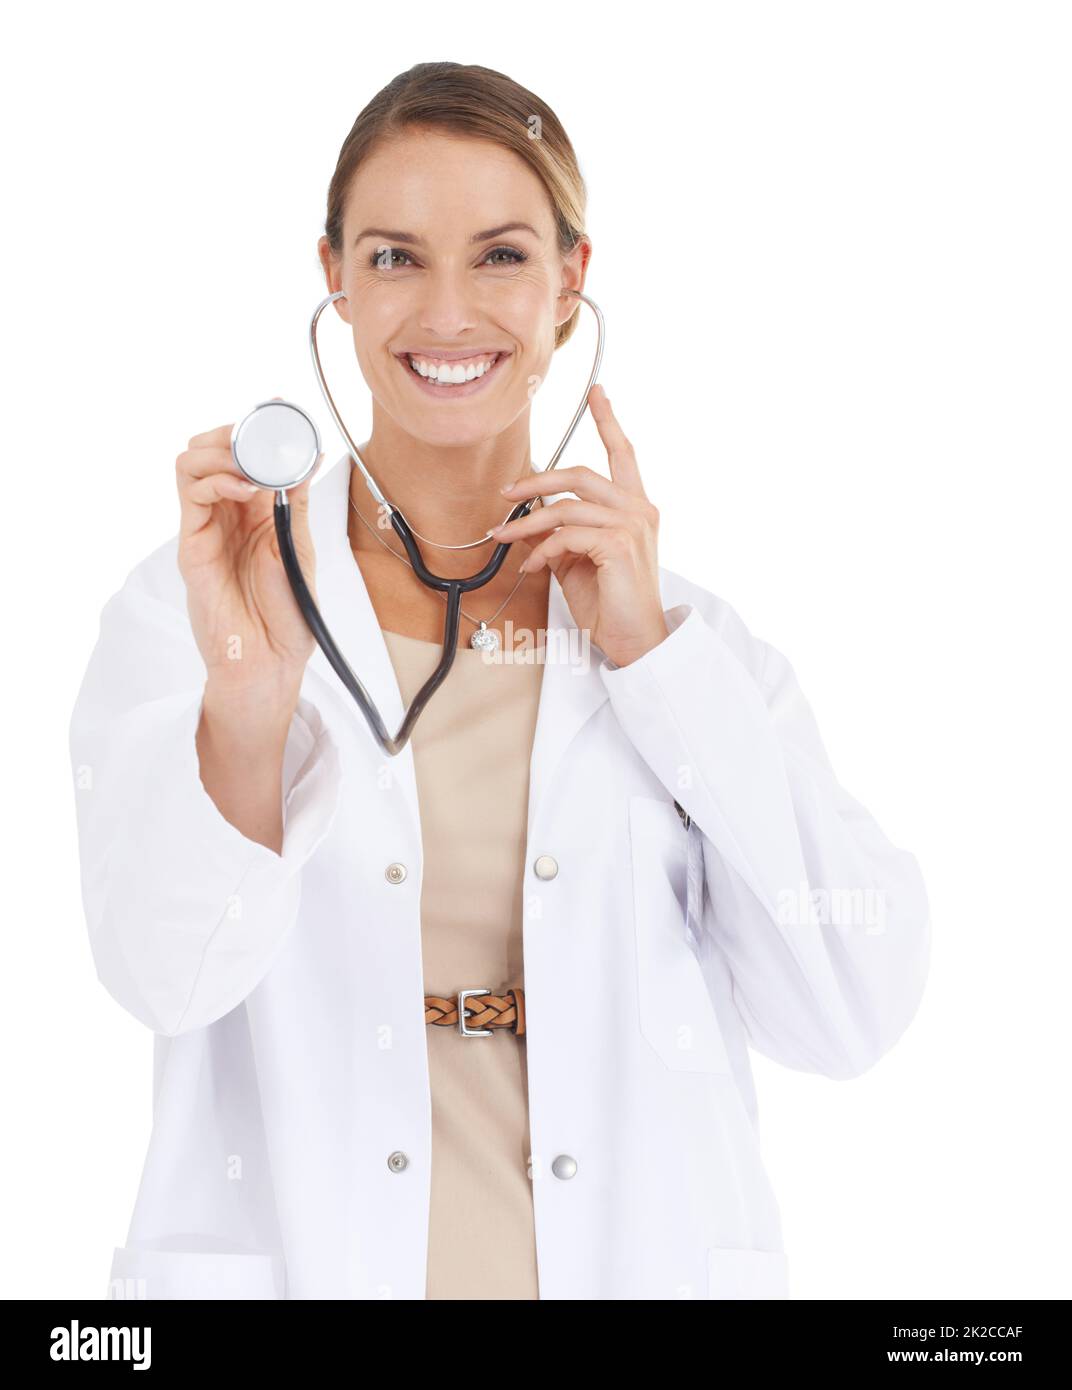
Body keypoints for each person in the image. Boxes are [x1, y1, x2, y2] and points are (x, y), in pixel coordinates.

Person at [69, 61, 931, 1301]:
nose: (448, 310)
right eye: (394, 256)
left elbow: (852, 1010)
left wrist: (657, 664)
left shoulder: (690, 649)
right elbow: (161, 975)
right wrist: (249, 707)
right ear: (333, 277)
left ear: (572, 283)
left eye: (502, 255)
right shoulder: (198, 601)